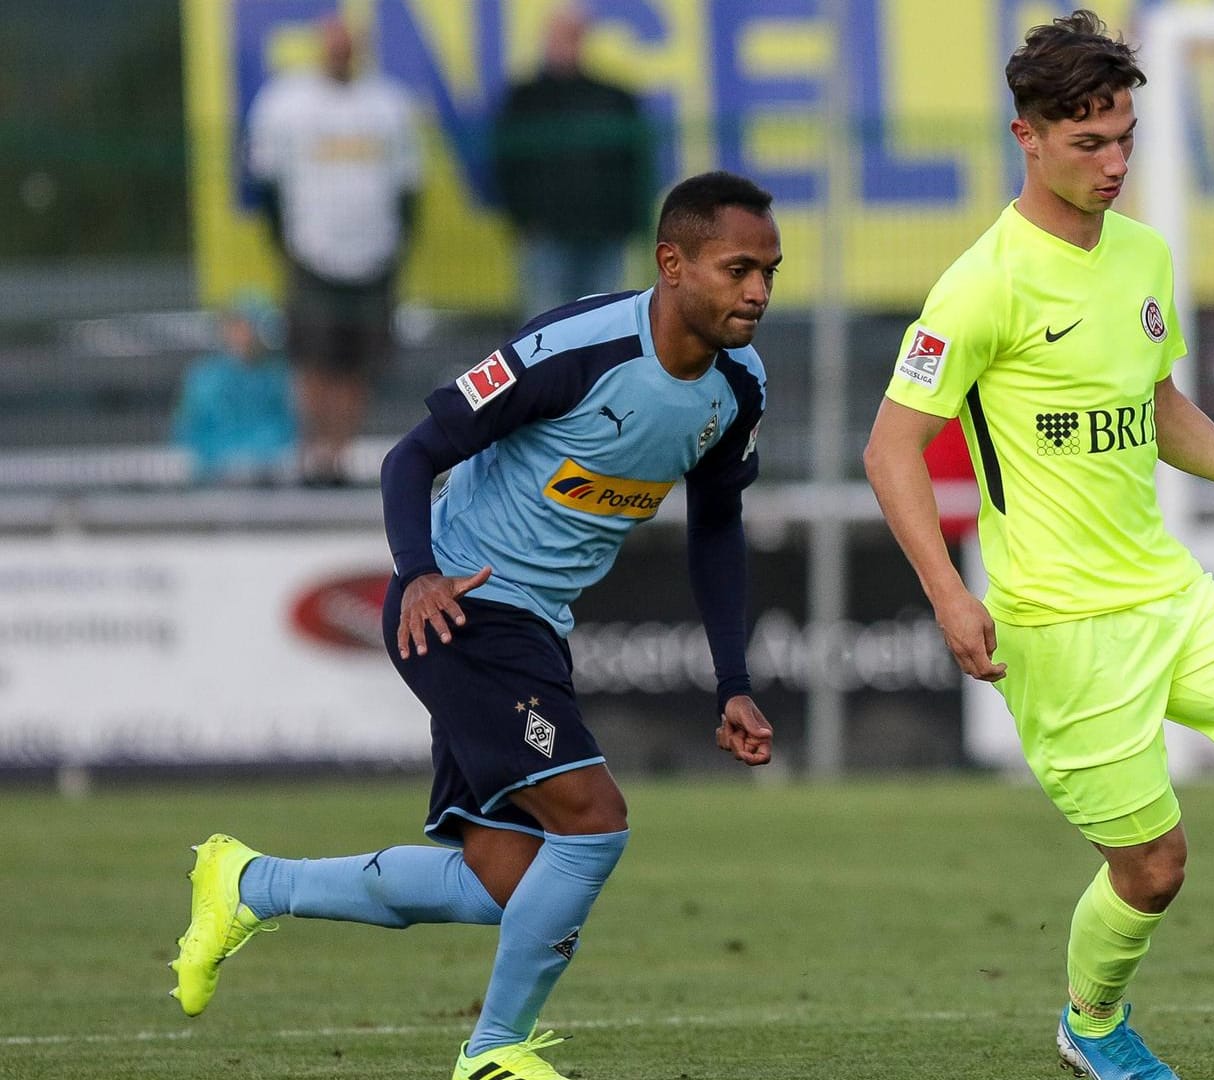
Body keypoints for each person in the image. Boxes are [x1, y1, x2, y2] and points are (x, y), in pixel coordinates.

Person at [864, 13, 1214, 1077]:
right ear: (1026, 137)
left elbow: (1158, 412)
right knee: (1154, 868)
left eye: (1125, 138)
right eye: (1089, 144)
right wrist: (946, 591)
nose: (1115, 164)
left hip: (1169, 593)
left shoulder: (1145, 257)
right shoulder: (983, 283)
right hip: (1061, 632)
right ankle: (1092, 1022)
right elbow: (891, 450)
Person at [170, 172, 782, 1080]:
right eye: (738, 269)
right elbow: (411, 455)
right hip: (462, 605)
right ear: (673, 263)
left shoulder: (739, 385)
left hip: (537, 627)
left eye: (770, 271)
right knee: (594, 823)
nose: (760, 292)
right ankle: (492, 1054)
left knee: (508, 882)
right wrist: (418, 574)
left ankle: (250, 884)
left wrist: (733, 678)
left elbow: (719, 524)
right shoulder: (573, 348)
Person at [246, 14, 422, 486]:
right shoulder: (286, 104)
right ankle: (313, 452)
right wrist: (286, 240)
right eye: (334, 46)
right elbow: (266, 182)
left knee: (355, 365)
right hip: (313, 251)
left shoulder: (388, 106)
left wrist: (397, 240)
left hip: (373, 253)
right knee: (312, 361)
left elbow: (408, 184)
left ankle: (338, 457)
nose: (340, 55)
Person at [494, 4, 650, 320]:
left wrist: (626, 222)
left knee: (602, 331)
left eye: (572, 34)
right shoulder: (524, 100)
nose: (564, 42)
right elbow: (506, 165)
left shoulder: (614, 97)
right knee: (544, 336)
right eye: (558, 34)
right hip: (546, 236)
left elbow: (635, 164)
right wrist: (523, 220)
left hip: (603, 234)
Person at [171, 295, 296, 485]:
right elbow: (189, 430)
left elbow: (287, 427)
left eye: (250, 326)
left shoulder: (279, 376)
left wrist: (259, 460)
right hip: (212, 476)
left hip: (268, 478)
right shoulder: (203, 377)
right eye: (238, 325)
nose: (245, 334)